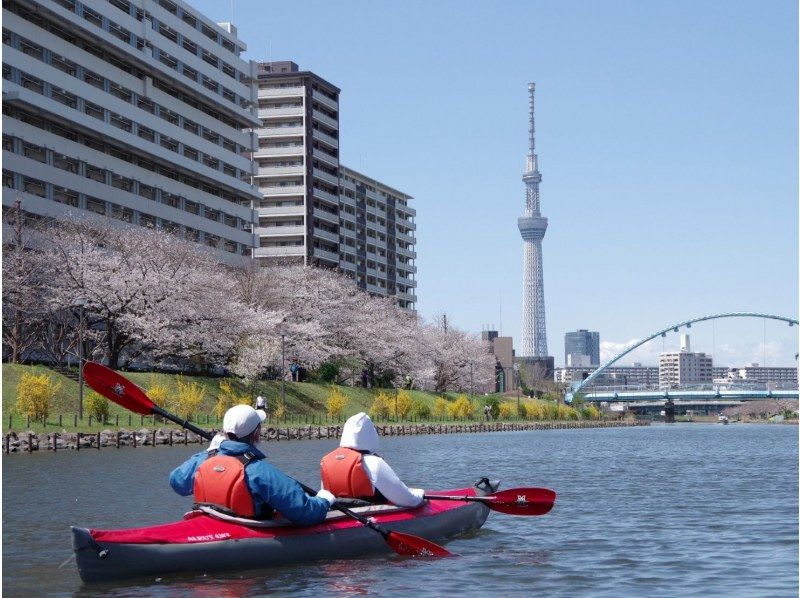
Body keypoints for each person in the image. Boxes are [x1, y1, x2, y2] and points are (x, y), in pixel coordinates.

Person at [170, 405, 335, 524]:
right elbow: (305, 512)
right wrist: (323, 501)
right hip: (246, 531)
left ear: (224, 432)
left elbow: (177, 482)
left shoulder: (205, 460)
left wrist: (208, 452)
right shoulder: (259, 471)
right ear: (256, 434)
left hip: (211, 523)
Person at [320, 412, 424, 508]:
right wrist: (420, 493)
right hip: (369, 516)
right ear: (370, 434)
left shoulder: (326, 462)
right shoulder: (374, 463)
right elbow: (408, 500)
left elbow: (325, 496)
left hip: (336, 515)